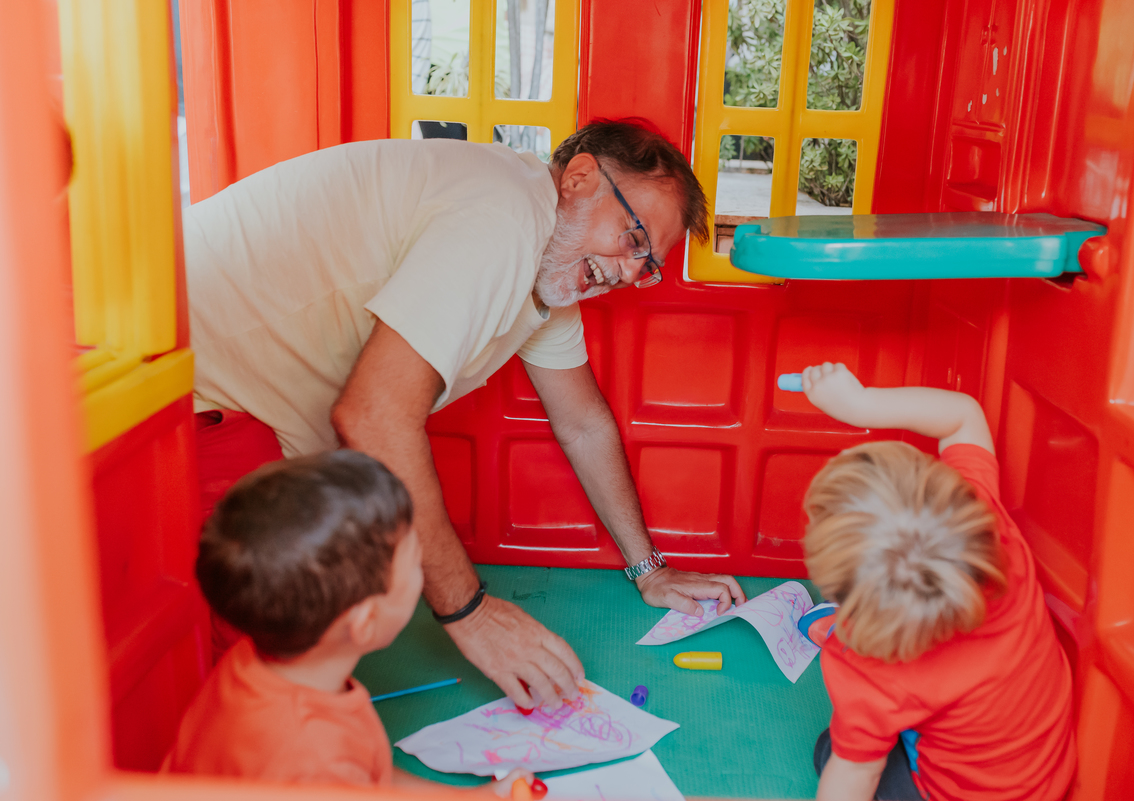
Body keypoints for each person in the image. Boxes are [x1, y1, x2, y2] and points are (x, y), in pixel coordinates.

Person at [185, 118, 746, 711]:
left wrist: (650, 570)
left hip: (243, 426)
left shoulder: (543, 264)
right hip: (182, 398)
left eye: (649, 266)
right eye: (635, 238)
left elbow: (583, 424)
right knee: (244, 696)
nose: (632, 275)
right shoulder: (506, 216)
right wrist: (471, 614)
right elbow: (374, 417)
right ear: (580, 178)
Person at [163, 449, 531, 793]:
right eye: (414, 563)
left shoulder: (255, 661)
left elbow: (374, 777)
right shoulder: (313, 759)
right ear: (366, 621)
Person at [792, 363, 1075, 801]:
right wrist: (861, 403)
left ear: (844, 599)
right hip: (1045, 781)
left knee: (832, 750)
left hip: (951, 793)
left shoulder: (862, 667)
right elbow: (963, 415)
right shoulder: (986, 521)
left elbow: (853, 779)